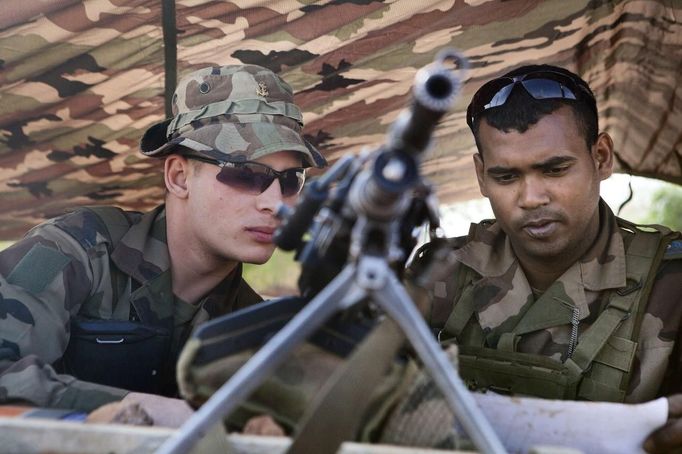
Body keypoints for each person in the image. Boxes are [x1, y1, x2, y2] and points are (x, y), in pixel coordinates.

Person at [0, 64, 326, 427]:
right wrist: (137, 409)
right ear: (179, 177)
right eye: (245, 174)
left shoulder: (251, 326)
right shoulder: (76, 250)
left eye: (289, 180)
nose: (274, 202)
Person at [402, 64, 682, 452]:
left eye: (555, 170)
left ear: (601, 157)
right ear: (481, 176)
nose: (532, 198)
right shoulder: (438, 273)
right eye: (506, 177)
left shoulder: (672, 284)